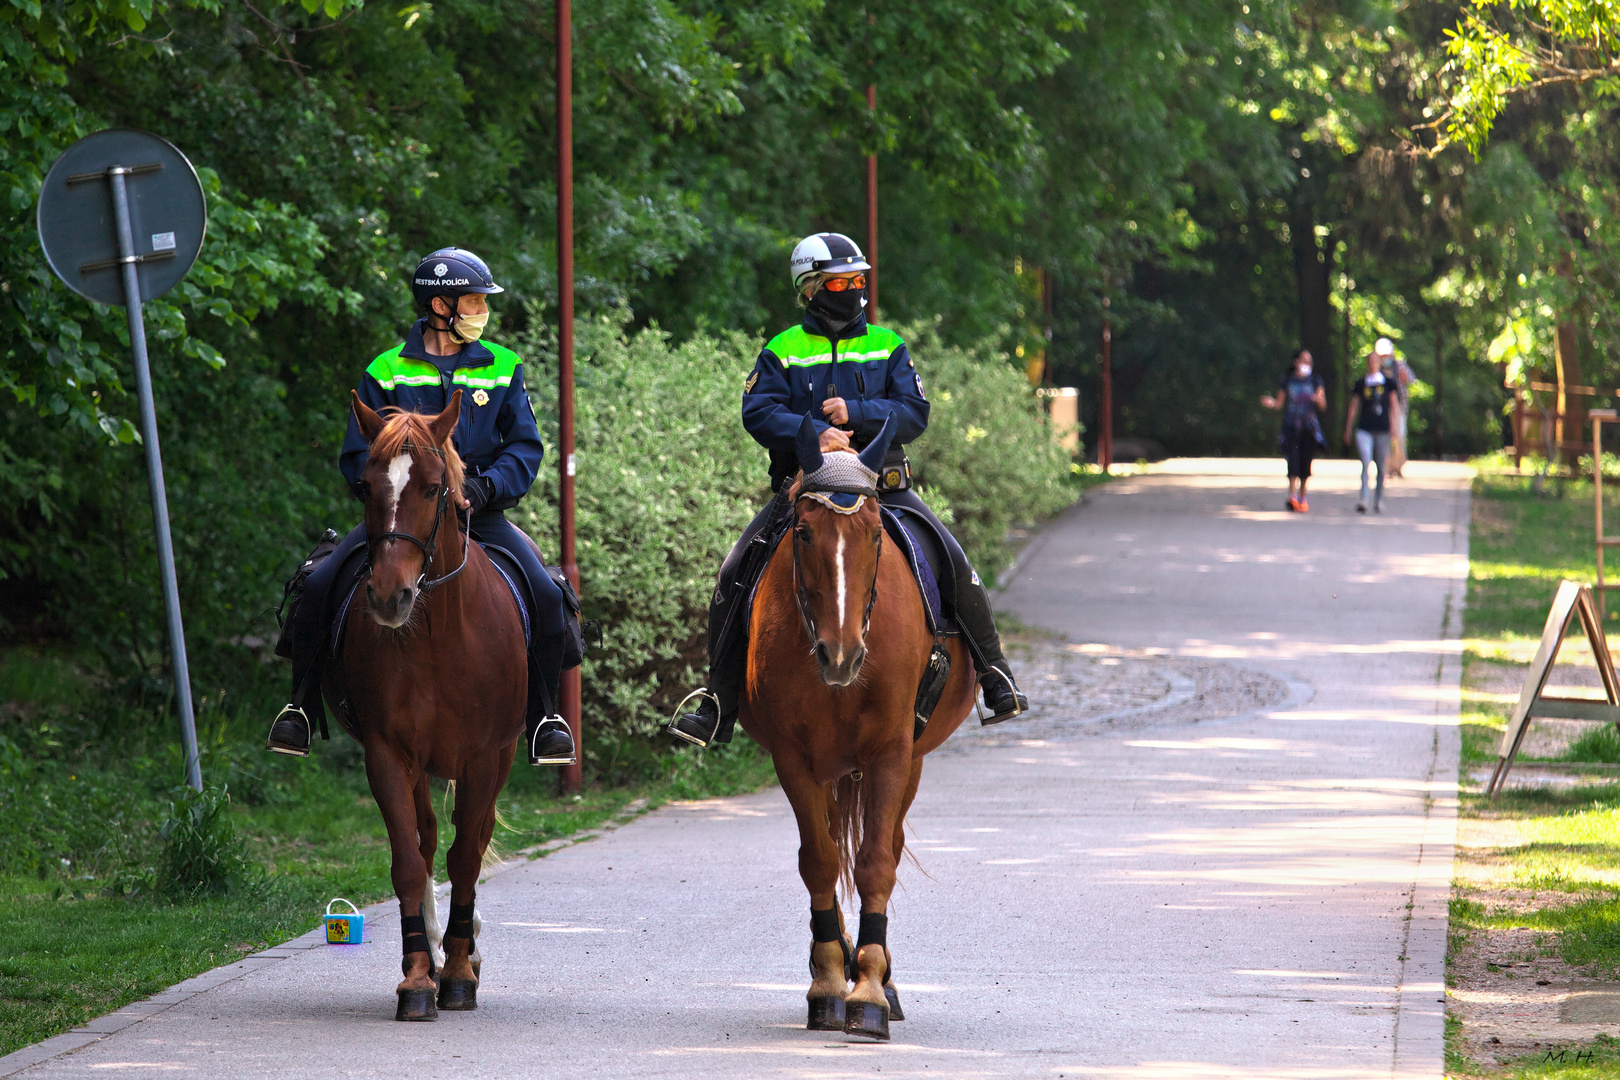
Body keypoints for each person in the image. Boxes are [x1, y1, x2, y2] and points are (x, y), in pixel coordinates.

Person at [666, 232, 1030, 748]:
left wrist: (856, 414)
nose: (853, 289)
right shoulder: (781, 350)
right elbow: (757, 412)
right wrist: (813, 429)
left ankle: (996, 675)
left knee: (954, 562)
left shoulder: (887, 345)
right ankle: (718, 703)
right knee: (732, 574)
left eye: (859, 279)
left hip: (883, 491)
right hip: (804, 494)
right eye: (840, 281)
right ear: (810, 287)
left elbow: (915, 412)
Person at [265, 248, 577, 766]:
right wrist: (390, 495)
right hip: (398, 521)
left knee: (547, 595)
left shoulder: (504, 366)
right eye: (473, 301)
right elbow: (354, 455)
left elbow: (524, 448)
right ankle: (299, 709)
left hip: (477, 514)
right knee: (317, 587)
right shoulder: (385, 370)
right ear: (440, 304)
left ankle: (545, 718)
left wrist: (482, 490)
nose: (482, 311)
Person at [1260, 348, 1326, 512]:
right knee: (1293, 460)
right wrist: (1271, 402)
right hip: (1291, 426)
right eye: (1304, 360)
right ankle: (1292, 496)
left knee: (1306, 462)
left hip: (1309, 428)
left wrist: (1318, 400)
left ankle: (1303, 496)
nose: (1307, 364)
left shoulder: (1315, 381)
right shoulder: (1287, 380)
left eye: (1309, 361)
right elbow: (1279, 404)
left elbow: (1323, 405)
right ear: (1296, 362)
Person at [1344, 343, 1401, 514]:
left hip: (1382, 429)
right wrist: (1348, 427)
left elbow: (1394, 405)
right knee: (1365, 461)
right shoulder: (1361, 383)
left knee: (1380, 466)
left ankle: (1379, 499)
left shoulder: (1388, 383)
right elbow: (1353, 406)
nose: (1372, 363)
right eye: (1370, 361)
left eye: (1375, 360)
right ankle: (1364, 499)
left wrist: (1394, 426)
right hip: (1364, 429)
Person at [1386, 338, 1414, 477]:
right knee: (1386, 438)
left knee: (1400, 436)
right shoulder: (1377, 367)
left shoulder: (1400, 365)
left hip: (1399, 407)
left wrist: (1405, 377)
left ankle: (1398, 465)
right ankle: (1388, 467)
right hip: (1384, 409)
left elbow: (1412, 379)